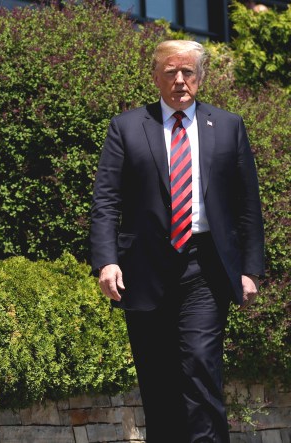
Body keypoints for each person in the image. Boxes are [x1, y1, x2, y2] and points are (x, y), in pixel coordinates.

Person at [90, 40, 264, 442]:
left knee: (200, 366)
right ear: (155, 77)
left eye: (188, 72)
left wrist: (250, 269)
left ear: (201, 78)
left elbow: (247, 204)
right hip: (145, 270)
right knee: (158, 380)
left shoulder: (228, 126)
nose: (180, 81)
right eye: (171, 72)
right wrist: (107, 262)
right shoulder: (127, 127)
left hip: (205, 267)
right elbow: (106, 202)